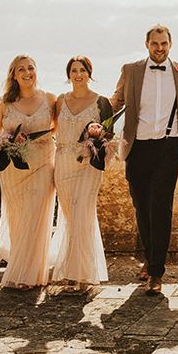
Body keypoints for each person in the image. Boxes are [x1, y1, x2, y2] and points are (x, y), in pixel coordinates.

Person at [111, 25, 178, 295]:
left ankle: (156, 271)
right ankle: (150, 259)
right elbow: (116, 101)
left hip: (169, 147)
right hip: (137, 147)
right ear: (146, 44)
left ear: (171, 44)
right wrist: (94, 121)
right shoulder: (131, 70)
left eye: (164, 44)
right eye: (155, 44)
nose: (159, 48)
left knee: (160, 207)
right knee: (141, 206)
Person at [50, 56, 110, 290]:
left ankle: (82, 273)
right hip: (63, 162)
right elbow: (53, 128)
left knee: (82, 214)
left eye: (82, 70)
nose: (78, 74)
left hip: (88, 165)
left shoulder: (101, 101)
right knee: (69, 215)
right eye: (73, 70)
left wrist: (92, 146)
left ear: (89, 73)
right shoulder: (60, 101)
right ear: (68, 74)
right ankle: (73, 270)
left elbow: (108, 135)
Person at [0, 55, 56, 289]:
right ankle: (28, 272)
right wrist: (10, 144)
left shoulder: (50, 99)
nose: (27, 72)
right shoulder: (3, 103)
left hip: (43, 165)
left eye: (31, 67)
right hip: (13, 170)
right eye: (21, 69)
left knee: (36, 216)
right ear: (13, 74)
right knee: (19, 220)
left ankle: (26, 275)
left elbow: (57, 129)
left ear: (36, 71)